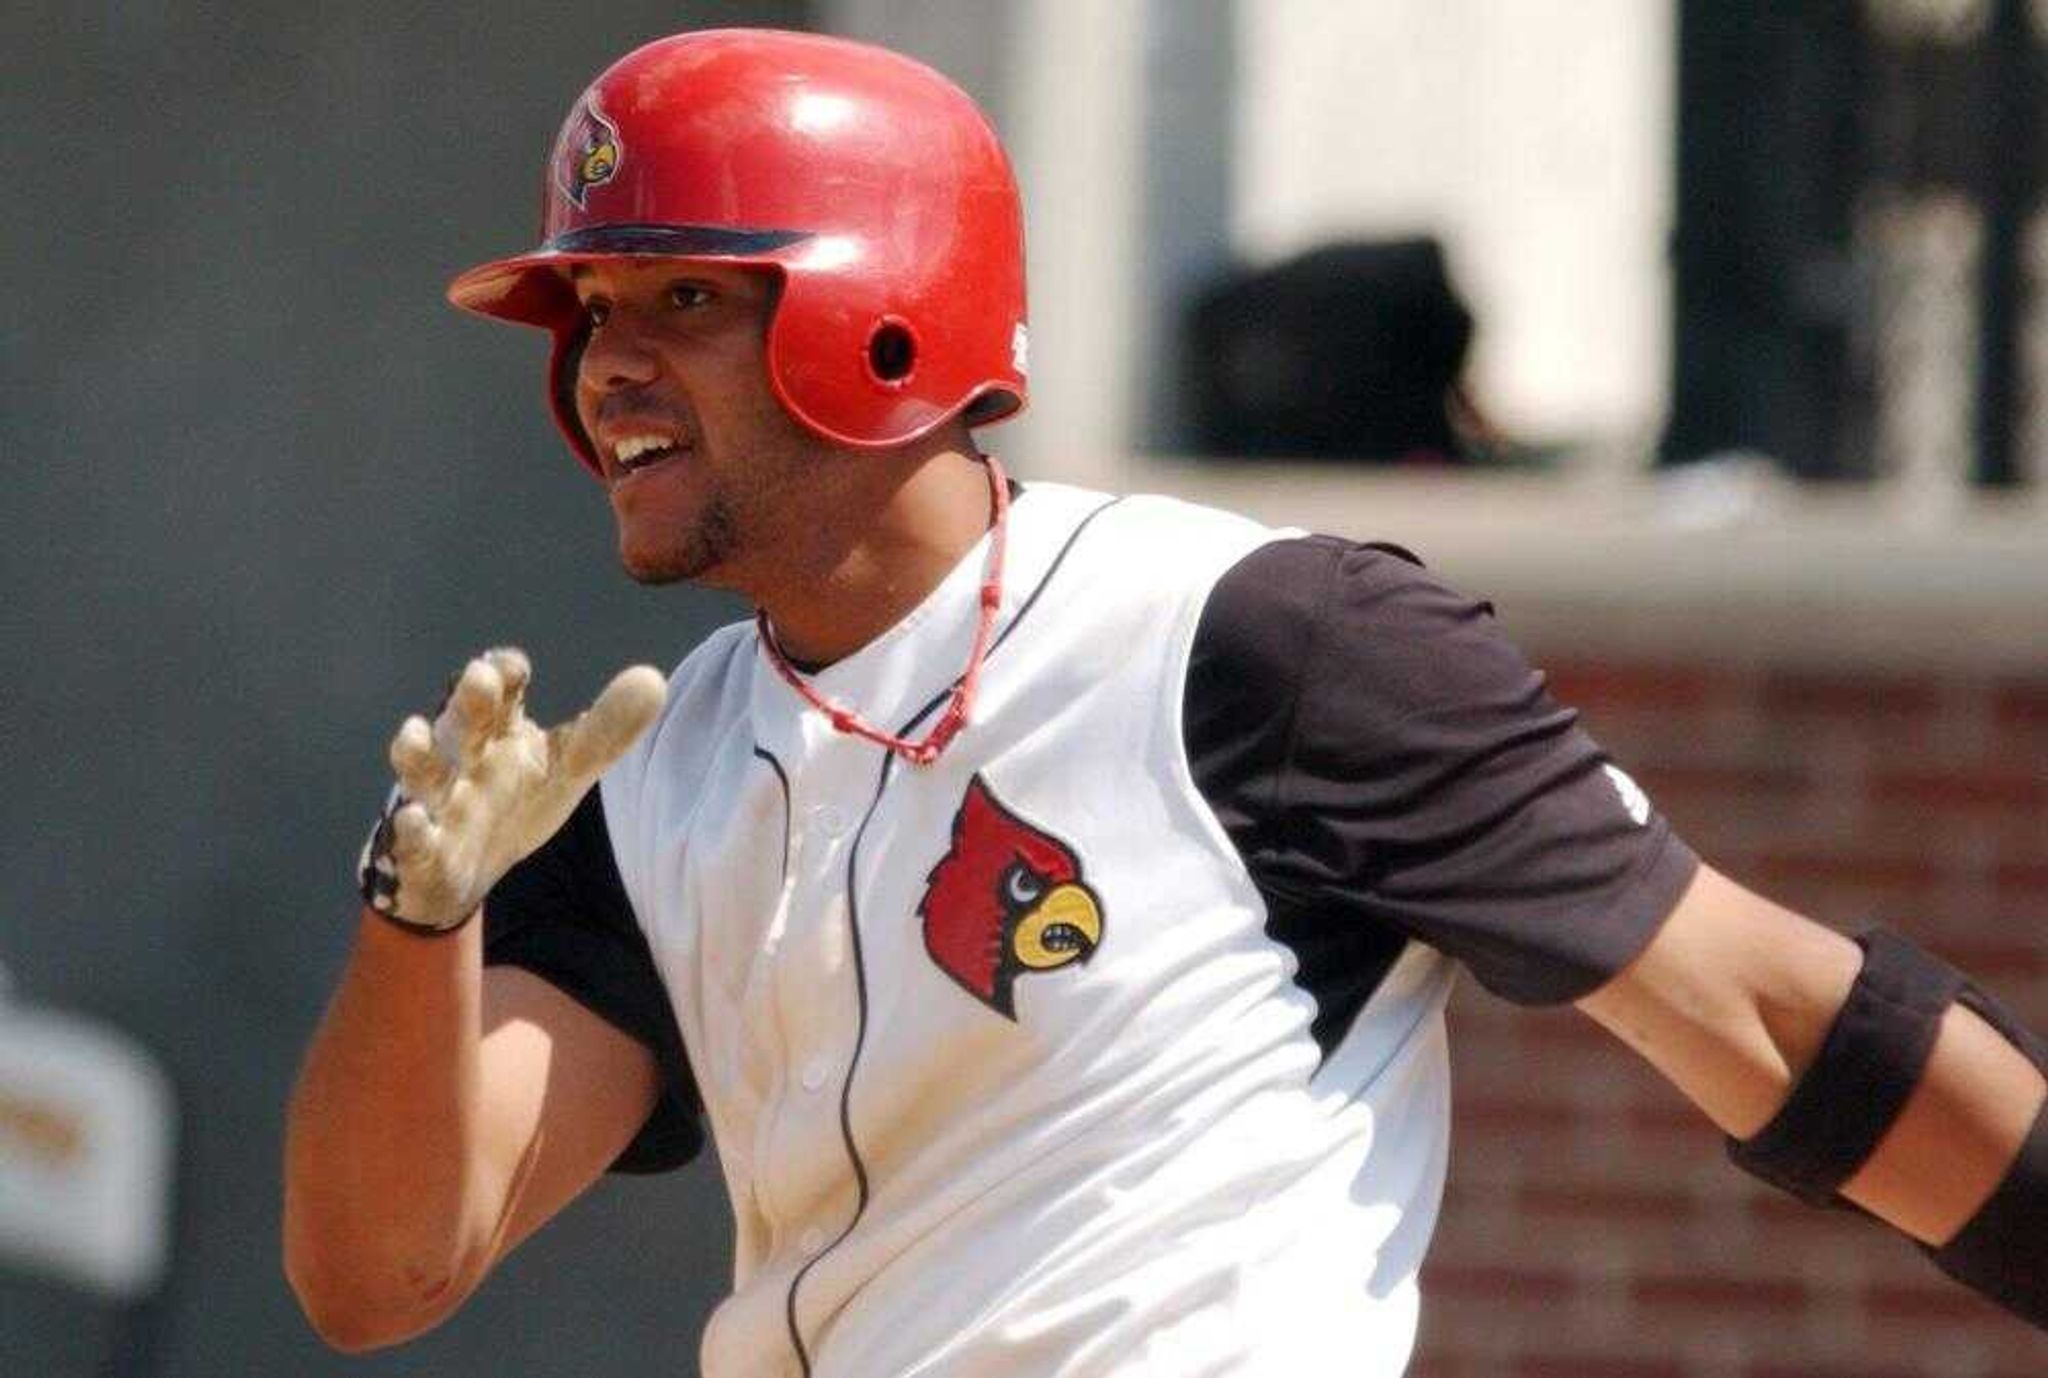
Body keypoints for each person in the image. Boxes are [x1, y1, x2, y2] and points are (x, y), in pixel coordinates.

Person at [281, 28, 2045, 1377]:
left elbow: (1764, 1011)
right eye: (588, 310)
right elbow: (383, 1270)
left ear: (887, 317)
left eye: (680, 296)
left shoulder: (1254, 642)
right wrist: (414, 922)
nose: (609, 367)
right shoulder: (654, 775)